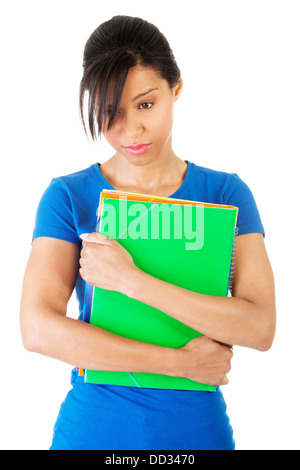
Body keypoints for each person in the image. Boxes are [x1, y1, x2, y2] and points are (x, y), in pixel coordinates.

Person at [20, 15, 276, 450]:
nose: (130, 131)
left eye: (145, 104)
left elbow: (260, 327)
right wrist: (177, 363)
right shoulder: (69, 196)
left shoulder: (224, 193)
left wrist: (131, 281)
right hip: (93, 432)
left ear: (176, 89)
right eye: (110, 113)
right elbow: (37, 329)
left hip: (198, 437)